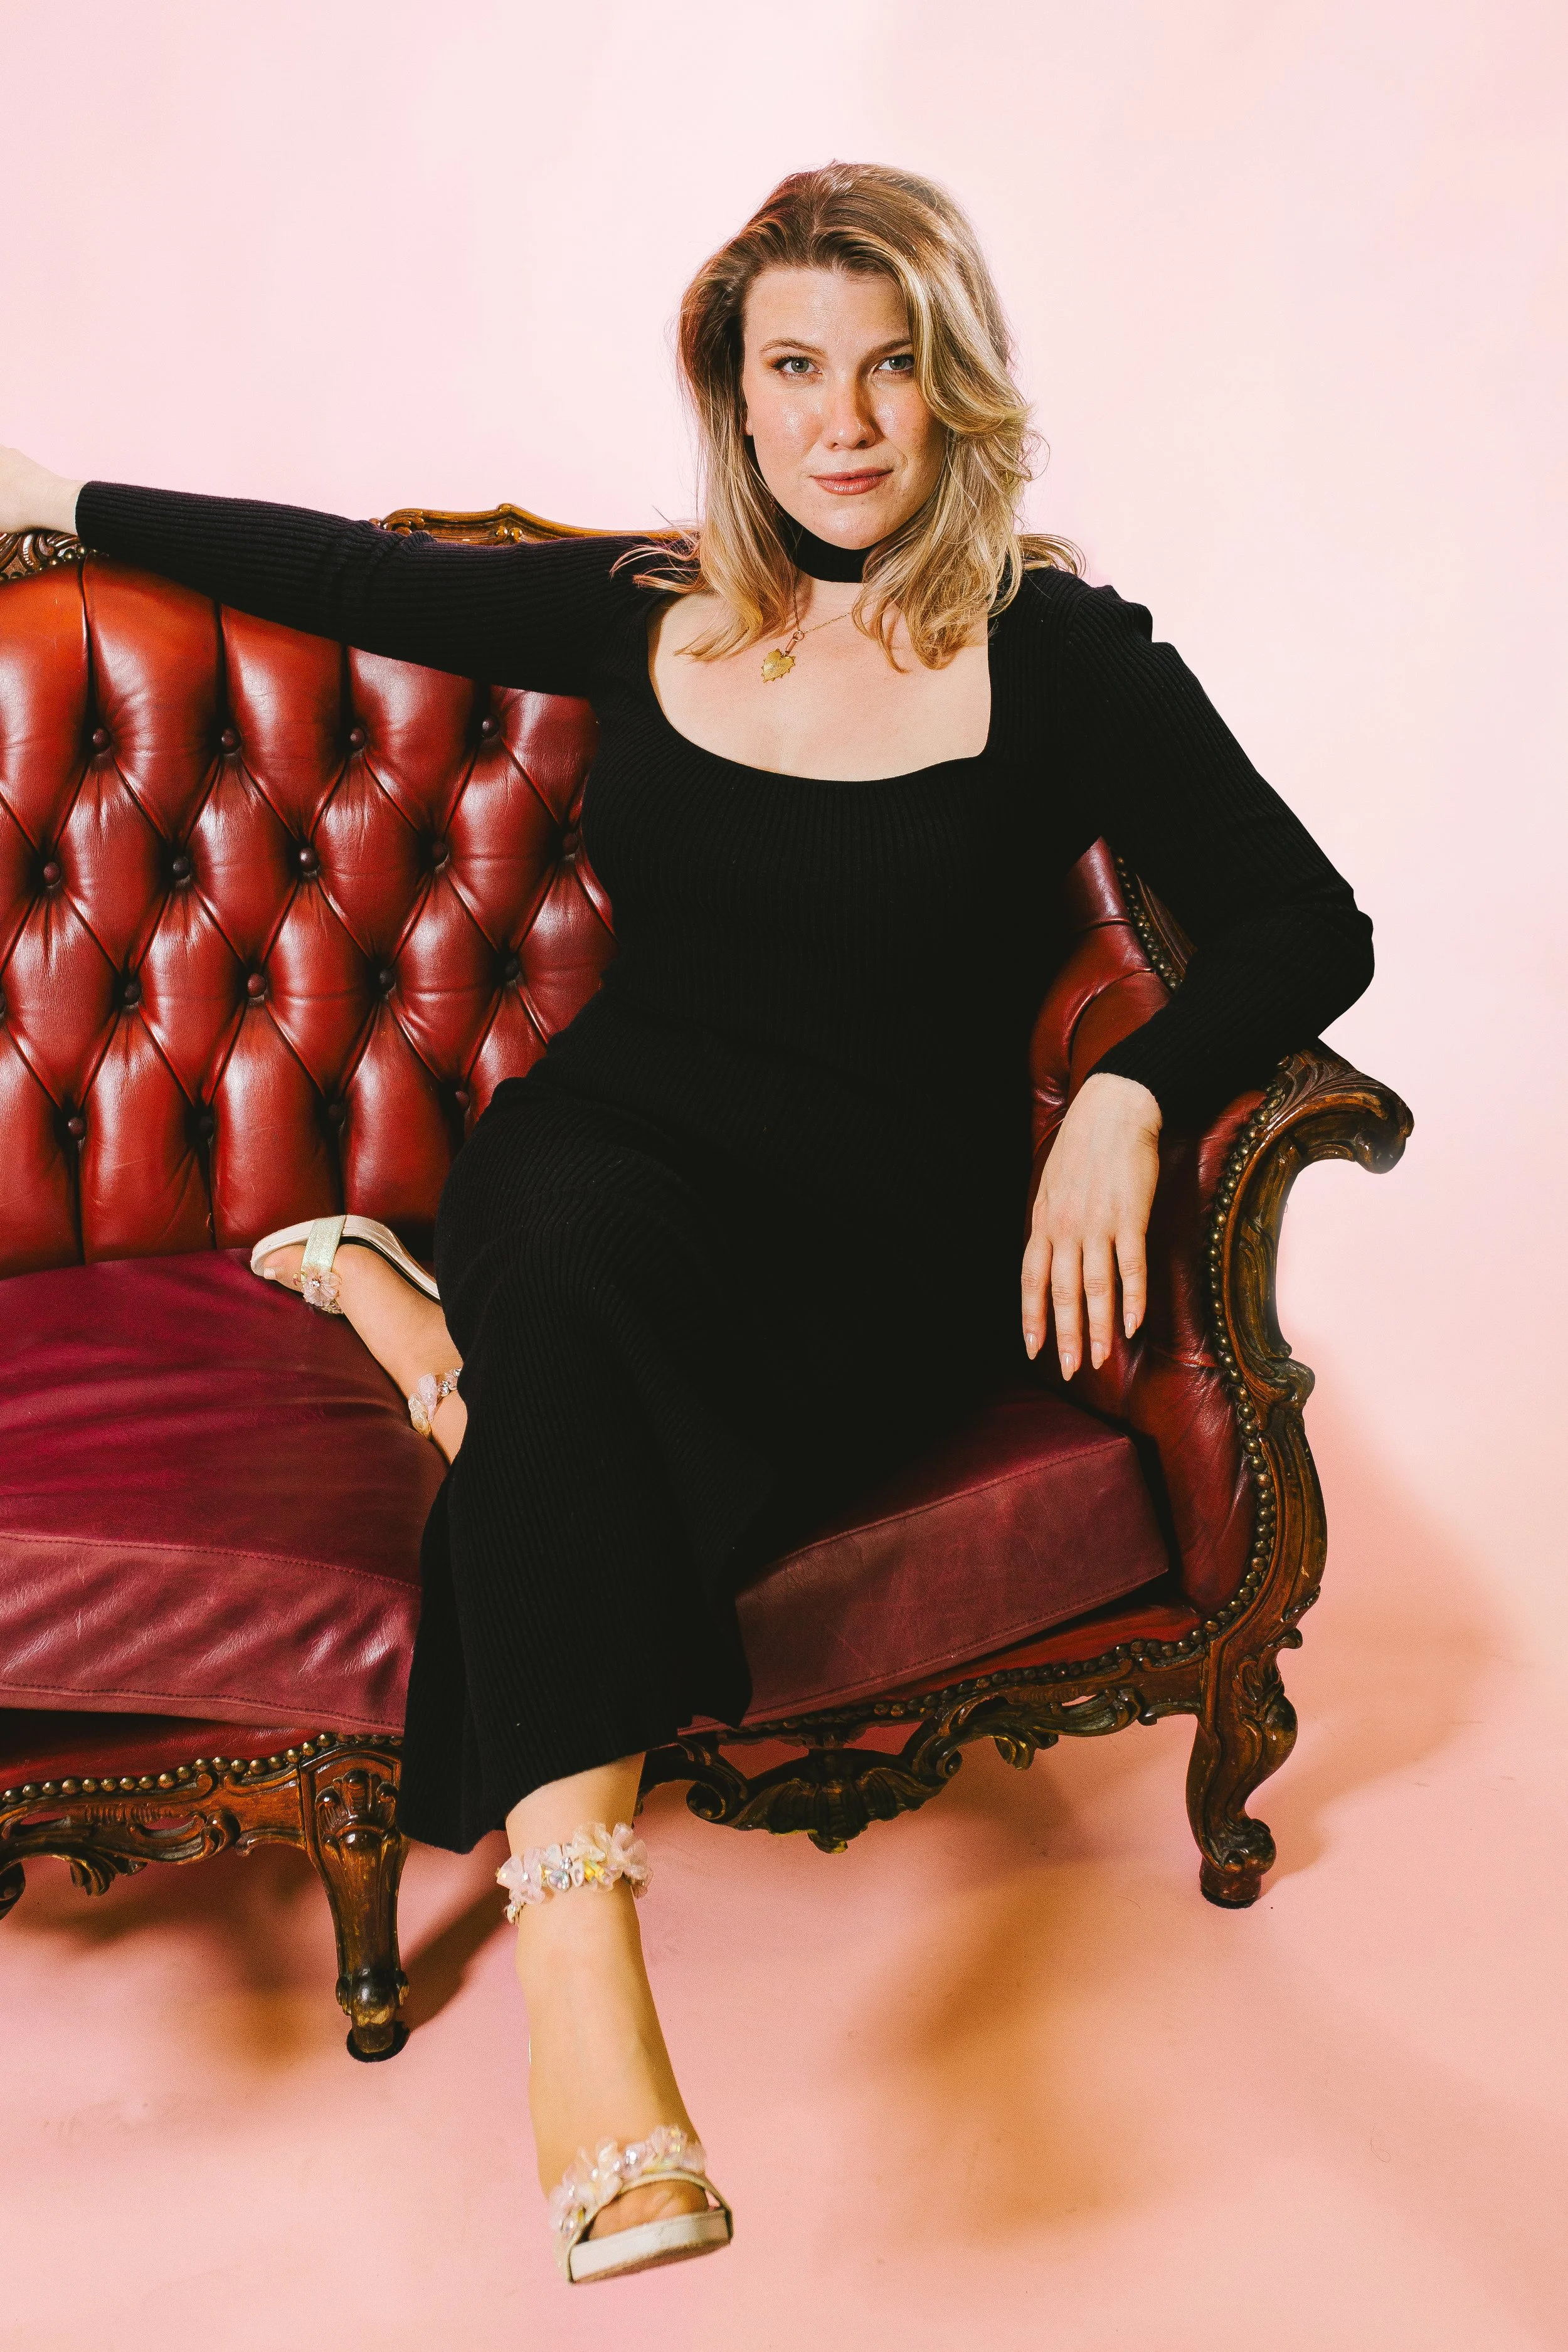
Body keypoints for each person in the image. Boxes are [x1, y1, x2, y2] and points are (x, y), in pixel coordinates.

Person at [0, 161, 1373, 2284]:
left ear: (957, 388)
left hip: (888, 1247)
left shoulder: (1063, 653)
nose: (843, 421)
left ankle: (393, 1306)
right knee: (573, 1281)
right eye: (793, 370)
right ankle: (588, 1987)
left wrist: (1131, 1087)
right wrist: (64, 493)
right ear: (730, 401)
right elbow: (347, 572)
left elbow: (1309, 920)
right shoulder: (650, 609)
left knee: (565, 1398)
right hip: (612, 1160)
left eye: (891, 367)